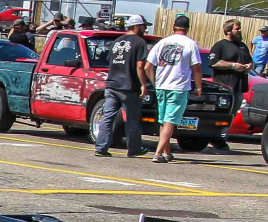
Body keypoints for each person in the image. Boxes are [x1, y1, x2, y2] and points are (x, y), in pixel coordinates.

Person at [93, 14, 152, 158]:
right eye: (143, 26)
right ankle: (134, 149)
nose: (145, 29)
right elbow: (140, 66)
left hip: (112, 85)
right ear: (136, 26)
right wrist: (143, 84)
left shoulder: (117, 41)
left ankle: (101, 147)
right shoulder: (140, 42)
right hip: (128, 87)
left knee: (107, 117)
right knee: (131, 118)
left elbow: (111, 62)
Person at [145, 13, 201, 163]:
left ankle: (166, 152)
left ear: (173, 27)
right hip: (178, 87)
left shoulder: (162, 42)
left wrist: (155, 82)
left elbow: (147, 66)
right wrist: (198, 86)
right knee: (170, 121)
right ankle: (158, 153)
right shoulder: (190, 44)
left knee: (164, 121)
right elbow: (196, 68)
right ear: (188, 28)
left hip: (161, 86)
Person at [207, 19, 252, 152]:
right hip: (224, 87)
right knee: (222, 114)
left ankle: (221, 137)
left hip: (239, 87)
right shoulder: (220, 46)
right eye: (237, 28)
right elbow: (213, 62)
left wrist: (249, 66)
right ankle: (216, 138)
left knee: (232, 114)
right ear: (228, 31)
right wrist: (232, 66)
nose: (240, 31)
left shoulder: (243, 46)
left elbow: (250, 61)